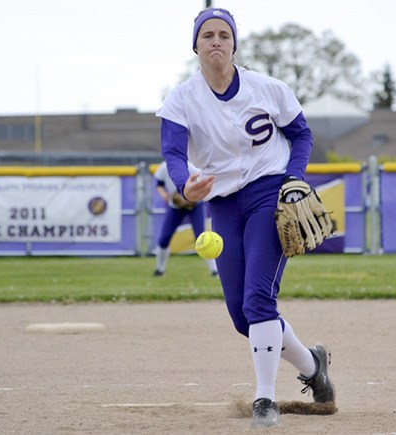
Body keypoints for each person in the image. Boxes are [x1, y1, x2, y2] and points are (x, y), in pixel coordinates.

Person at [156, 8, 335, 428]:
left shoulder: (267, 88)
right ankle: (313, 365)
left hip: (267, 194)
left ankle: (265, 400)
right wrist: (185, 186)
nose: (215, 41)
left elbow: (302, 134)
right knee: (244, 317)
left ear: (234, 44)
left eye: (223, 35)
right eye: (207, 36)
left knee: (258, 300)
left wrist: (294, 179)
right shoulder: (181, 98)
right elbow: (173, 154)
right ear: (195, 46)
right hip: (221, 203)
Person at [153, 160, 218, 277]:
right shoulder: (164, 167)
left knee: (201, 238)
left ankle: (214, 270)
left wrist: (190, 197)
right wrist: (164, 195)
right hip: (175, 207)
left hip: (195, 205)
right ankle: (159, 269)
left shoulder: (191, 168)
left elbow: (203, 186)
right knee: (164, 238)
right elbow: (159, 185)